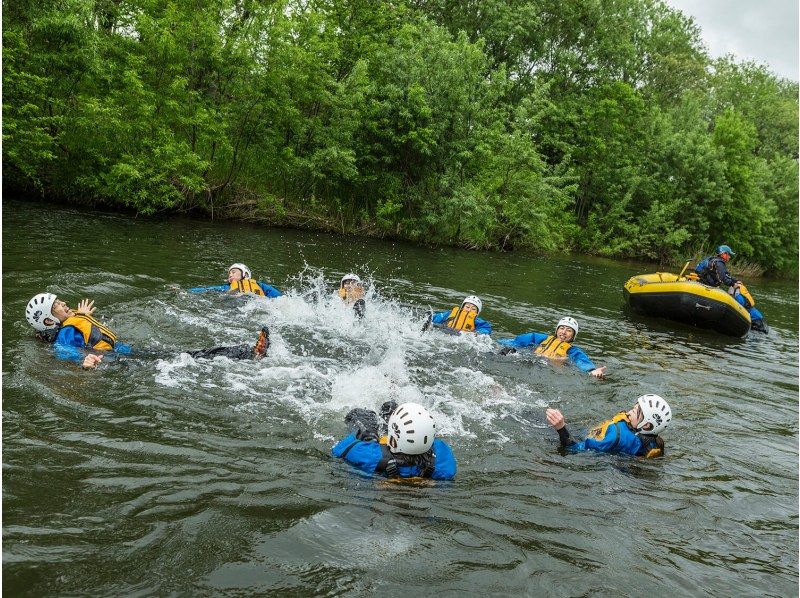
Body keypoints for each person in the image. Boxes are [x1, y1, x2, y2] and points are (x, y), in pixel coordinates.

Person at [25, 293, 270, 369]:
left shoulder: (73, 321)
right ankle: (247, 353)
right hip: (117, 359)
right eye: (57, 306)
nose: (64, 304)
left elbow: (87, 332)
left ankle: (246, 353)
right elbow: (64, 352)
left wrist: (84, 316)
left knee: (183, 354)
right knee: (186, 357)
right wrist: (85, 360)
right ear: (48, 321)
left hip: (125, 350)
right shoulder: (64, 335)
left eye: (60, 301)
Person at [331, 401, 457, 480]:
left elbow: (339, 450)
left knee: (361, 419)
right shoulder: (443, 462)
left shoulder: (371, 456)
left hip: (379, 451)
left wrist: (365, 438)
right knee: (390, 408)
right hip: (409, 452)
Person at [545, 394, 672, 458]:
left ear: (646, 425)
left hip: (587, 443)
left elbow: (574, 449)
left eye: (634, 412)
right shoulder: (654, 442)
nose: (628, 413)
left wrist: (561, 428)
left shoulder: (616, 438)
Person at [497, 317, 606, 378]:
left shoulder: (572, 351)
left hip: (549, 367)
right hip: (531, 358)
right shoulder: (541, 338)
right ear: (557, 330)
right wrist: (498, 341)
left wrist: (592, 371)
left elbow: (581, 361)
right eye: (561, 328)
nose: (564, 332)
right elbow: (520, 341)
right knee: (507, 351)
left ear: (573, 336)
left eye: (569, 330)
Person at [189, 263, 282, 297]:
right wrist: (187, 291)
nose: (230, 275)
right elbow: (208, 289)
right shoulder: (226, 287)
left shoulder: (260, 285)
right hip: (236, 306)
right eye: (229, 273)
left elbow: (280, 297)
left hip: (256, 305)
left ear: (245, 274)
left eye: (233, 272)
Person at [423, 295, 493, 335]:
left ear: (477, 313)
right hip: (444, 332)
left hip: (462, 337)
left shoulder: (477, 321)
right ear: (462, 307)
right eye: (467, 307)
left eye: (473, 309)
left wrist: (476, 333)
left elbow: (486, 328)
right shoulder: (450, 314)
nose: (469, 310)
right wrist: (429, 318)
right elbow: (436, 317)